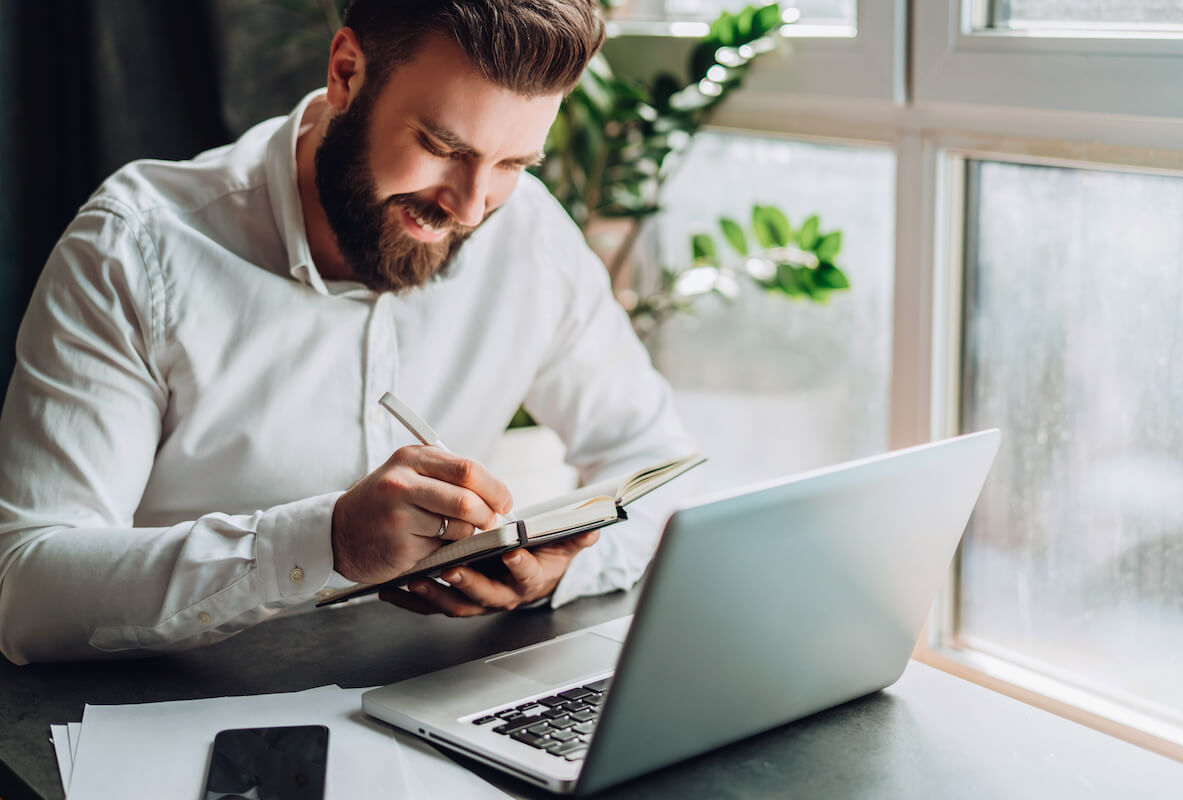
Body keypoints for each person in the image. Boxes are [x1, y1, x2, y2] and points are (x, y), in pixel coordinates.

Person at [0, 0, 692, 665]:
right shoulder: (135, 249)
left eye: (513, 164)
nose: (473, 207)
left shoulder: (530, 233)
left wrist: (558, 572)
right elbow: (27, 591)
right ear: (346, 73)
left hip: (427, 696)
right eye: (441, 145)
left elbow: (656, 465)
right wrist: (328, 542)